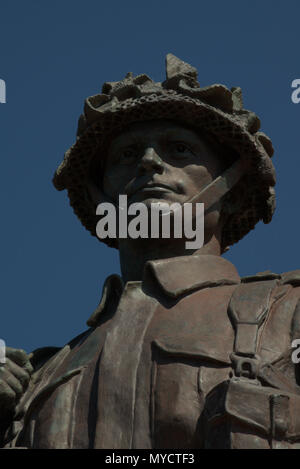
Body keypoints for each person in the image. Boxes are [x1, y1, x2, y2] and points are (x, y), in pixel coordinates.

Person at [1, 54, 300, 449]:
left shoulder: (288, 314)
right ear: (100, 196)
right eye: (126, 155)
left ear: (232, 189)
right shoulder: (39, 380)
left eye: (178, 149)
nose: (148, 162)